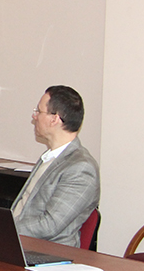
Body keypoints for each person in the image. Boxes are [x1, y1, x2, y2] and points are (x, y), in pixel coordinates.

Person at [10, 86, 100, 247]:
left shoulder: (81, 167)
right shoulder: (50, 157)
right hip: (20, 243)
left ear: (54, 119)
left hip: (48, 252)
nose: (34, 116)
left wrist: (4, 228)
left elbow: (50, 225)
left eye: (39, 111)